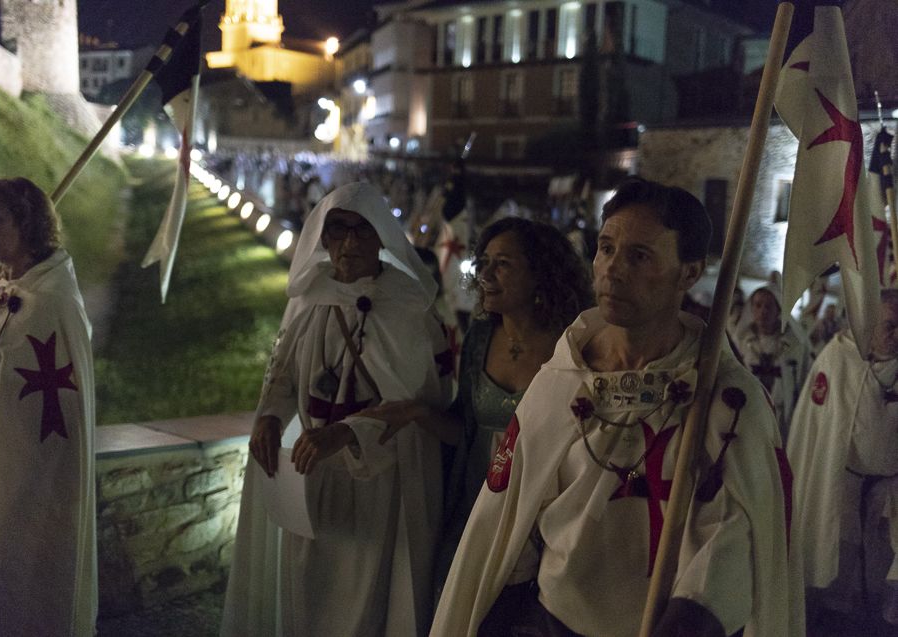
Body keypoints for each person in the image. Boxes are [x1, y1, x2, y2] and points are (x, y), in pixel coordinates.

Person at [431, 177, 799, 637]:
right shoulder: (561, 381)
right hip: (554, 623)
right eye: (606, 248)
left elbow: (735, 534)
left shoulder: (726, 398)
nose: (613, 269)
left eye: (640, 256)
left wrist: (689, 619)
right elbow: (511, 521)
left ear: (688, 273)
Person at [221, 182, 454, 637]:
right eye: (339, 230)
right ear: (323, 239)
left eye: (363, 231)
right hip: (312, 474)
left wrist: (349, 433)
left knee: (364, 599)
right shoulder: (309, 297)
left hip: (378, 482)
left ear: (381, 237)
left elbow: (418, 407)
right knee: (308, 593)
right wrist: (270, 417)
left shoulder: (409, 309)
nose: (350, 243)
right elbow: (284, 372)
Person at [360, 217, 593, 584]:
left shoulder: (574, 347)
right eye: (483, 262)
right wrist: (417, 412)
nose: (485, 274)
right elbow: (465, 431)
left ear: (540, 274)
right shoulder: (480, 338)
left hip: (540, 514)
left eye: (503, 264)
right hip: (475, 507)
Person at [0, 177, 96, 636]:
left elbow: (55, 407)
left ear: (27, 224)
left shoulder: (51, 303)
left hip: (24, 459)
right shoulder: (5, 288)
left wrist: (26, 467)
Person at [788, 290, 898, 630]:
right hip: (840, 486)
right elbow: (815, 431)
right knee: (836, 566)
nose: (897, 336)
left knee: (883, 576)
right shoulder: (837, 358)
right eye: (890, 327)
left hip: (889, 494)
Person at [735, 282, 811, 440]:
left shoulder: (794, 345)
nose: (763, 311)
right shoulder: (741, 341)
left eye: (769, 306)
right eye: (758, 305)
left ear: (779, 310)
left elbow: (804, 381)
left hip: (780, 417)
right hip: (746, 413)